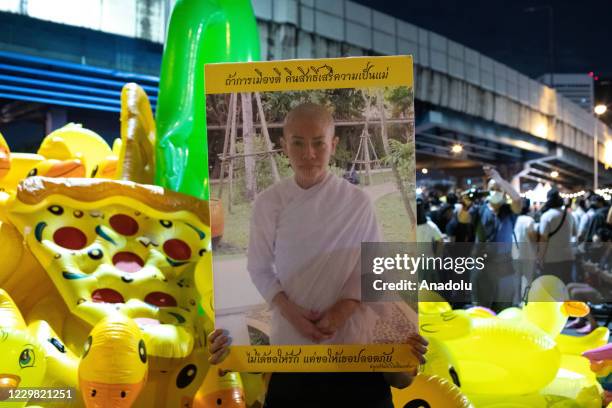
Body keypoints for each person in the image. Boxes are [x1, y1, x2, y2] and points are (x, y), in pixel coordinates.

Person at [209, 103, 427, 407]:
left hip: (354, 349)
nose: (308, 154)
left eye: (318, 143)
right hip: (292, 348)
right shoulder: (268, 203)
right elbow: (258, 267)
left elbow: (375, 267)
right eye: (297, 142)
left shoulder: (357, 202)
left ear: (333, 144)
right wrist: (290, 311)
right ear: (284, 146)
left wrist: (343, 310)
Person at [470, 166, 522, 311]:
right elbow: (463, 218)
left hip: (504, 266)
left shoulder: (508, 211)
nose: (496, 191)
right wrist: (464, 203)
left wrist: (499, 179)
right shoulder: (479, 210)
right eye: (493, 188)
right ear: (487, 190)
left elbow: (517, 199)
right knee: (481, 309)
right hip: (482, 266)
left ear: (505, 192)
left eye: (499, 189)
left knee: (504, 308)